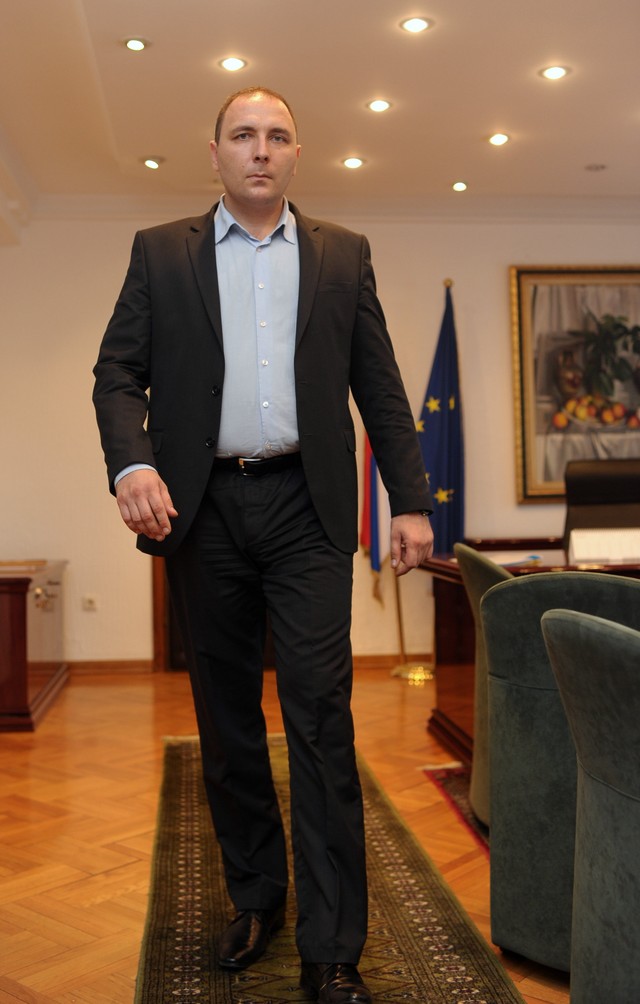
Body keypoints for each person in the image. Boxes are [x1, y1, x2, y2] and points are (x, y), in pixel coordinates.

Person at [93, 86, 434, 1004]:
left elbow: (380, 385)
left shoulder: (342, 254)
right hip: (202, 510)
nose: (260, 149)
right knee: (228, 719)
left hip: (307, 509)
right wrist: (132, 465)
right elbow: (117, 372)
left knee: (320, 718)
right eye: (243, 135)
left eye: (277, 135)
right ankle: (257, 897)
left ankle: (333, 948)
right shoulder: (160, 252)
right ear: (215, 153)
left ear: (295, 154)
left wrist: (411, 500)